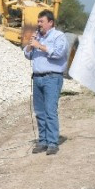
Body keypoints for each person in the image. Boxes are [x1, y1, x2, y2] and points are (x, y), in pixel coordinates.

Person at [24, 10, 69, 155]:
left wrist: (39, 46)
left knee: (50, 111)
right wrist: (31, 44)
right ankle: (42, 141)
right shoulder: (37, 37)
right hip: (37, 78)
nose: (39, 24)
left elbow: (59, 53)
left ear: (50, 23)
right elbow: (27, 54)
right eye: (38, 22)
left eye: (41, 22)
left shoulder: (58, 36)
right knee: (40, 112)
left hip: (52, 78)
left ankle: (52, 143)